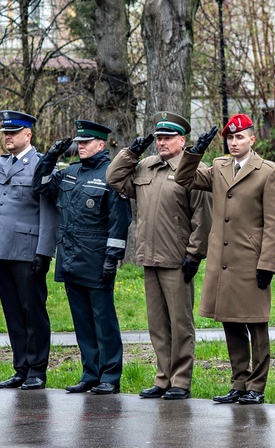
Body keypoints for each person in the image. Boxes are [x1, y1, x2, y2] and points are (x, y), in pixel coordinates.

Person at [175, 113, 275, 405]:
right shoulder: (220, 167)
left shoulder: (268, 171)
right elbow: (184, 178)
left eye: (240, 137)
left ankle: (257, 386)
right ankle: (239, 381)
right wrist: (195, 151)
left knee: (256, 324)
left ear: (252, 139)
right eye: (230, 138)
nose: (234, 142)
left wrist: (268, 265)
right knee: (230, 323)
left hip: (251, 261)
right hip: (223, 261)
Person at [107, 112, 212, 400]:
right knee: (157, 324)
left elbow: (203, 218)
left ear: (182, 140)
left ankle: (181, 380)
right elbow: (113, 178)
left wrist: (194, 255)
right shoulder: (145, 167)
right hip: (149, 256)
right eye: (158, 138)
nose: (161, 142)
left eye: (167, 138)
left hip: (177, 259)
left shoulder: (193, 171)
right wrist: (131, 152)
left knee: (180, 324)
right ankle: (162, 377)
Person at [32, 120, 131, 395]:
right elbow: (41, 186)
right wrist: (50, 157)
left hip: (96, 259)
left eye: (86, 143)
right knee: (82, 322)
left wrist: (113, 256)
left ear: (101, 144)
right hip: (71, 258)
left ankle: (110, 375)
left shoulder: (111, 175)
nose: (81, 146)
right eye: (79, 143)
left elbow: (119, 221)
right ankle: (90, 373)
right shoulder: (71, 172)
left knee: (103, 322)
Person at [0, 111, 57, 391]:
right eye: (5, 133)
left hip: (28, 249)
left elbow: (48, 211)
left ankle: (37, 370)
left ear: (28, 135)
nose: (8, 138)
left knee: (33, 312)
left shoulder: (39, 164)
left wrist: (44, 251)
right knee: (13, 313)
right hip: (1, 247)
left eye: (13, 133)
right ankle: (21, 368)